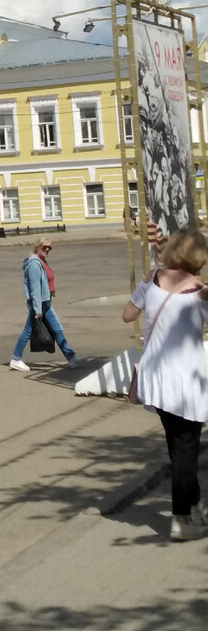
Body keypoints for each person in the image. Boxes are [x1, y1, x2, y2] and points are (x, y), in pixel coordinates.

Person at [123, 228, 208, 541]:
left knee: (178, 449)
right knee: (186, 451)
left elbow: (127, 314)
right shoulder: (200, 291)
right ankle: (181, 518)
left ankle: (195, 506)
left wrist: (145, 288)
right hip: (187, 383)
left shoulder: (152, 278)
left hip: (156, 379)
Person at [9, 237, 81, 372]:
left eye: (49, 247)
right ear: (37, 247)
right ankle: (16, 359)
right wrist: (37, 310)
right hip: (39, 303)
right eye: (44, 247)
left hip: (45, 302)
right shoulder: (34, 264)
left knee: (57, 329)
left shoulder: (42, 262)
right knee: (29, 330)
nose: (47, 249)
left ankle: (71, 357)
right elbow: (35, 288)